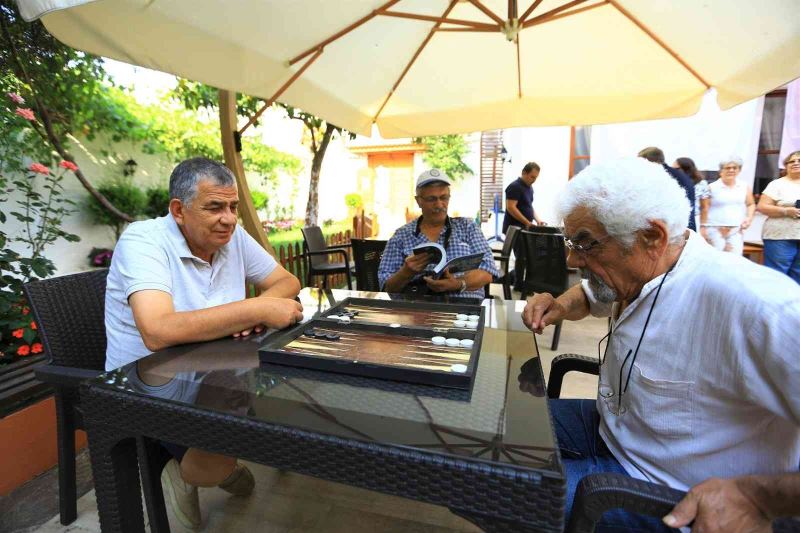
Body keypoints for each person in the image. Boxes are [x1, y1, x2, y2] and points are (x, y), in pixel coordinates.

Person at [521, 158, 800, 531]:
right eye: (570, 243)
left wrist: (757, 497)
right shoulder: (642, 269)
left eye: (585, 243)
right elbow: (591, 294)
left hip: (663, 491)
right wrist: (559, 305)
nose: (572, 259)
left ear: (652, 236)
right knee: (502, 427)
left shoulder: (764, 308)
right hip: (611, 431)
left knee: (501, 489)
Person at [105, 157, 303, 529]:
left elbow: (287, 282)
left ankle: (207, 462)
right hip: (148, 379)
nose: (228, 218)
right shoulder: (144, 240)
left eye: (233, 207)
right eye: (214, 207)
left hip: (215, 366)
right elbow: (158, 331)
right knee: (246, 408)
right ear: (179, 210)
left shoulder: (232, 237)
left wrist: (251, 311)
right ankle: (198, 466)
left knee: (281, 393)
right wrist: (254, 308)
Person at [378, 169, 499, 299]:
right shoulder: (401, 236)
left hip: (465, 308)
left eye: (444, 198)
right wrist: (406, 272)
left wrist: (457, 284)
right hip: (417, 308)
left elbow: (488, 272)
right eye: (431, 199)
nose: (439, 204)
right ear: (419, 201)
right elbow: (386, 288)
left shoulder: (468, 227)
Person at [757, 150, 800, 283]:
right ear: (785, 166)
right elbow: (762, 207)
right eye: (791, 161)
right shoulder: (777, 184)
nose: (796, 163)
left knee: (798, 276)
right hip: (780, 236)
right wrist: (787, 211)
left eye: (799, 161)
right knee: (777, 276)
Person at [700, 156, 756, 254]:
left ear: (739, 170)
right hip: (714, 229)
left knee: (735, 260)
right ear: (721, 171)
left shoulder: (744, 186)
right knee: (717, 259)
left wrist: (749, 218)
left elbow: (751, 204)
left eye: (735, 168)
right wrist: (703, 227)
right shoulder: (711, 187)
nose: (731, 170)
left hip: (735, 230)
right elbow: (704, 208)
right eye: (727, 168)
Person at [502, 161, 546, 289]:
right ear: (524, 173)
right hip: (515, 228)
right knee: (521, 257)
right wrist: (527, 222)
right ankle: (519, 285)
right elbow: (511, 207)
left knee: (527, 257)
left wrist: (537, 220)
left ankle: (522, 282)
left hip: (525, 227)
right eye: (532, 177)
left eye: (536, 178)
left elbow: (529, 207)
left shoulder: (529, 188)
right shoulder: (514, 187)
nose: (534, 180)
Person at [638, 147, 696, 231]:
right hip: (685, 225)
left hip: (678, 228)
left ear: (651, 161)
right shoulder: (675, 174)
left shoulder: (663, 175)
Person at [674, 156, 708, 231]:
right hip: (676, 220)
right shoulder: (673, 183)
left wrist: (703, 226)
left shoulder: (701, 184)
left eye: (676, 169)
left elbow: (704, 207)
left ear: (686, 169)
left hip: (695, 219)